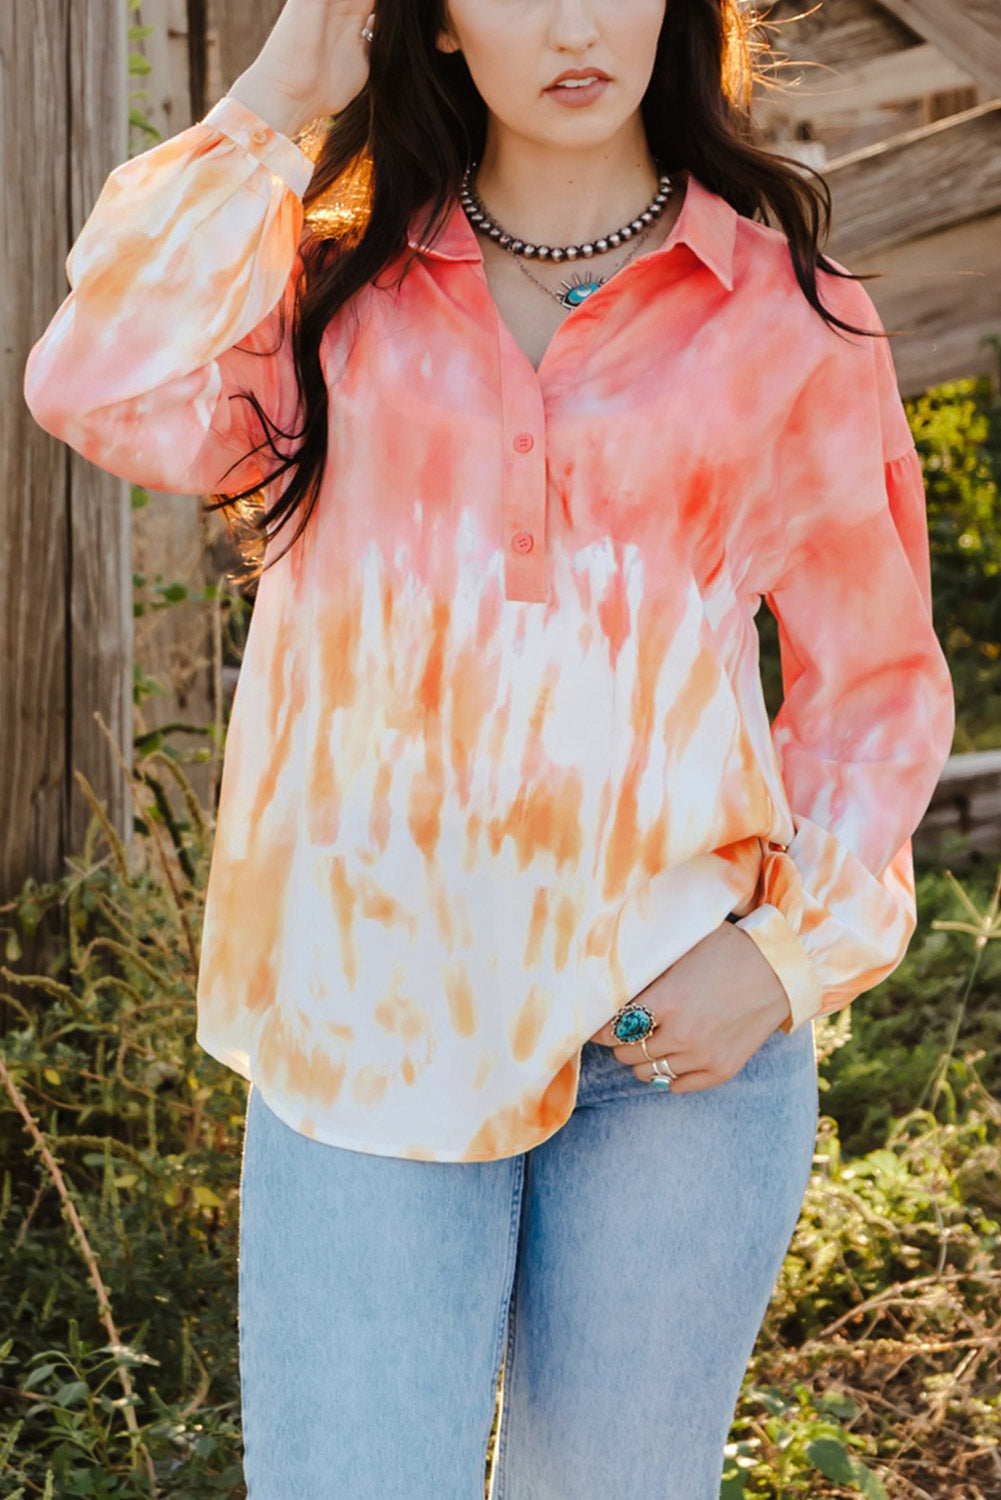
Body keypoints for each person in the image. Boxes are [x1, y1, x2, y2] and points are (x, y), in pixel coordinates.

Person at [23, 0, 956, 1494]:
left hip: (672, 1061)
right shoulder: (321, 290)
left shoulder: (787, 314)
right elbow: (94, 380)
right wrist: (282, 87)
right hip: (363, 1039)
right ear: (438, 24)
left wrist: (787, 956)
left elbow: (874, 688)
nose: (574, 24)